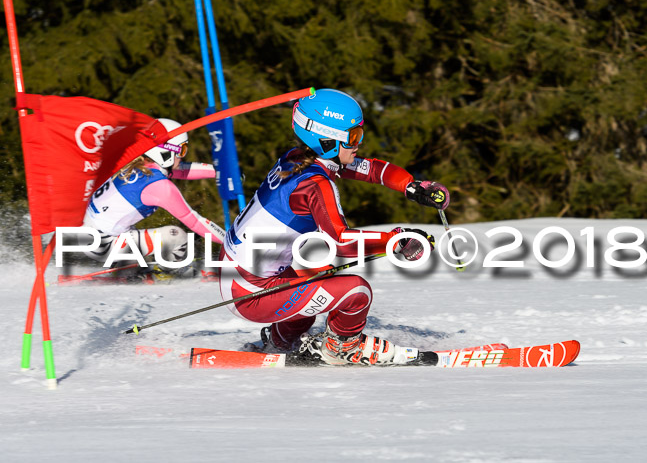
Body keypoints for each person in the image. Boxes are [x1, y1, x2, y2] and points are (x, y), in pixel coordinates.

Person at [219, 89, 450, 365]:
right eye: (353, 136)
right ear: (327, 140)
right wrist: (396, 240)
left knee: (318, 282)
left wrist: (411, 186)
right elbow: (341, 241)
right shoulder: (316, 185)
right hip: (250, 293)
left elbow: (373, 170)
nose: (359, 142)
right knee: (357, 292)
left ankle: (279, 343)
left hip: (239, 278)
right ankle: (342, 347)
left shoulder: (297, 158)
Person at [82, 118, 226, 271]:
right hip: (102, 244)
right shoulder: (159, 186)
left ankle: (131, 269)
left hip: (86, 232)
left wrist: (220, 172)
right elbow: (196, 222)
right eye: (182, 149)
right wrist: (231, 242)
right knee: (176, 236)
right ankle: (165, 274)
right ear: (166, 151)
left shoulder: (137, 164)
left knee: (136, 231)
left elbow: (181, 170)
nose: (183, 156)